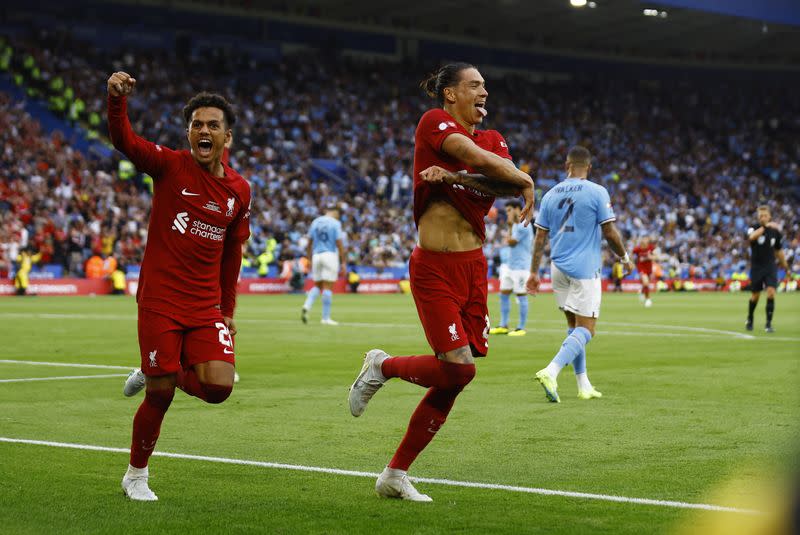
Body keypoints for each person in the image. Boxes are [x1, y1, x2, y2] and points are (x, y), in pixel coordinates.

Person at [347, 63, 534, 501]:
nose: (484, 91)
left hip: (473, 268)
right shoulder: (435, 123)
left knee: (456, 377)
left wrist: (458, 178)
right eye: (475, 85)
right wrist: (522, 177)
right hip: (434, 266)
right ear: (451, 94)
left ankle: (394, 475)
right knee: (458, 368)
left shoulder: (493, 139)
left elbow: (500, 181)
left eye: (486, 85)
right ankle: (382, 366)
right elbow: (481, 161)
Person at [107, 72, 251, 501]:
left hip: (205, 305)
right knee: (161, 395)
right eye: (196, 125)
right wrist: (117, 101)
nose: (203, 131)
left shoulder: (239, 191)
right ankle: (136, 475)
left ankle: (156, 369)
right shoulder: (170, 166)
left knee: (219, 387)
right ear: (188, 132)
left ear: (227, 136)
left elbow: (233, 256)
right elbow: (125, 141)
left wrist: (227, 311)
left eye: (212, 125)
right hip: (160, 301)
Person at [528, 146, 632, 403]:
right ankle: (551, 370)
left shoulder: (550, 195)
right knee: (587, 330)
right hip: (584, 270)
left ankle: (583, 384)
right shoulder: (597, 192)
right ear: (590, 167)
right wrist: (625, 258)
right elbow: (610, 233)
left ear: (567, 165)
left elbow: (540, 237)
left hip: (557, 268)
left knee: (573, 327)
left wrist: (533, 272)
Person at [489, 200, 533, 336]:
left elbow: (512, 242)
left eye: (509, 210)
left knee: (521, 295)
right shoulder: (514, 225)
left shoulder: (524, 224)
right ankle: (503, 325)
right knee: (504, 294)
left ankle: (521, 327)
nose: (507, 213)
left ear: (517, 209)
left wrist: (506, 235)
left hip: (521, 267)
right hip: (510, 266)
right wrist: (509, 229)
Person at [746, 206, 790, 333]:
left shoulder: (775, 232)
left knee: (771, 292)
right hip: (756, 267)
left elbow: (779, 251)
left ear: (769, 216)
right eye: (760, 216)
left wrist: (786, 267)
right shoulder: (753, 228)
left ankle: (768, 323)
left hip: (770, 266)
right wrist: (765, 226)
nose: (762, 218)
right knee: (755, 296)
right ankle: (750, 318)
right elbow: (752, 237)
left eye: (765, 215)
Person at [301, 206, 346, 325]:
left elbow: (309, 242)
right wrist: (343, 262)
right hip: (329, 255)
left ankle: (307, 305)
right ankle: (325, 318)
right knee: (328, 286)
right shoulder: (335, 223)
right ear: (334, 213)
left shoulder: (315, 222)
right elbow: (339, 243)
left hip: (316, 256)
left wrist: (309, 258)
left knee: (317, 285)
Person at [633, 236, 655, 307]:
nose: (645, 241)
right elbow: (632, 255)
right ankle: (648, 299)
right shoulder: (637, 249)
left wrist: (650, 257)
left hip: (649, 268)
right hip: (641, 268)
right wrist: (632, 263)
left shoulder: (651, 248)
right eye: (644, 240)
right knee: (646, 283)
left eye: (646, 240)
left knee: (646, 283)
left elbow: (656, 256)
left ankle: (642, 292)